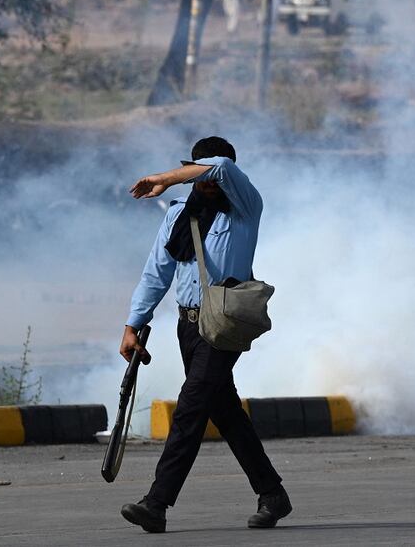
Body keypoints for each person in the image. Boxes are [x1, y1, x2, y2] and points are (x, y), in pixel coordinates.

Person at [118, 136, 291, 533]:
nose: (208, 181)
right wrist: (132, 326)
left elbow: (222, 168)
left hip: (225, 323)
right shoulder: (179, 213)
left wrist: (165, 178)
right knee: (224, 411)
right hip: (188, 325)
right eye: (200, 173)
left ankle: (156, 504)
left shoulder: (245, 206)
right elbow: (156, 272)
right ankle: (273, 494)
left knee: (190, 409)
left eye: (210, 173)